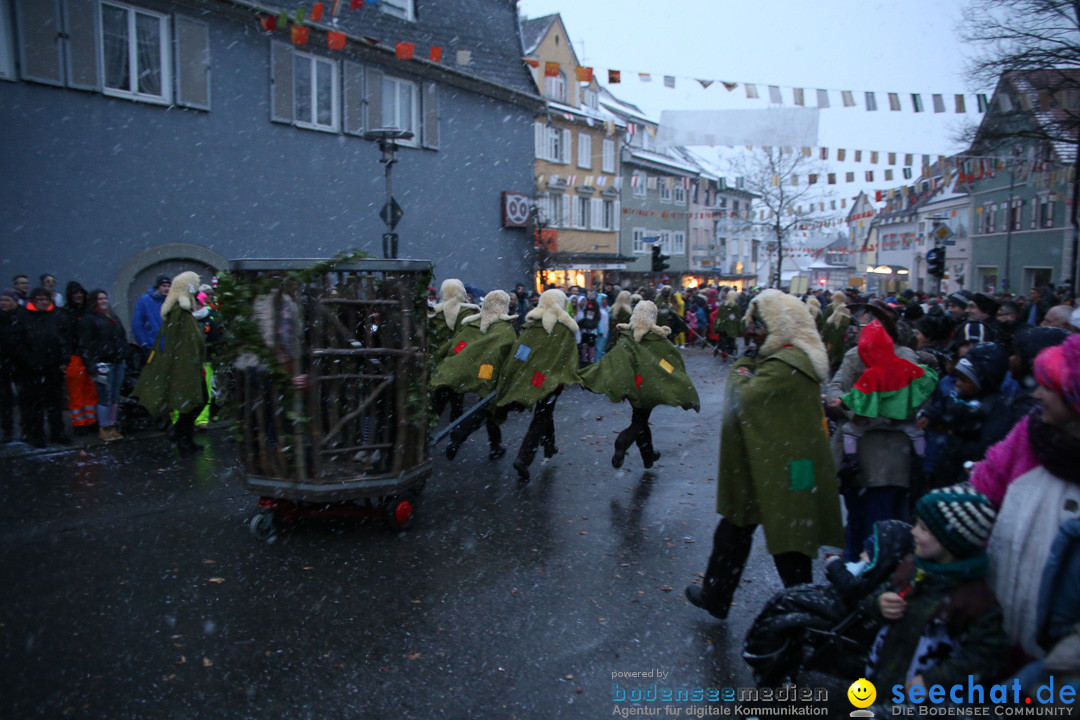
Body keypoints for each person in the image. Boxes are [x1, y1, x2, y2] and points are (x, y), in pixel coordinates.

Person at [686, 289, 843, 619]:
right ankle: (716, 596)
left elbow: (743, 398)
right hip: (767, 465)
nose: (751, 331)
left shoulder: (787, 364)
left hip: (783, 471)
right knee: (734, 531)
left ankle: (806, 614)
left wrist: (741, 366)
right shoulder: (787, 358)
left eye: (759, 324)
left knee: (790, 543)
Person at [971, 334, 1080, 663]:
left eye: (1048, 388)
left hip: (1057, 664)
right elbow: (983, 489)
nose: (1036, 394)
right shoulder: (1031, 434)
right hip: (997, 628)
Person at [865, 484, 1008, 694]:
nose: (913, 531)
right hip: (883, 685)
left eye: (923, 528)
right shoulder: (910, 568)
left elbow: (988, 655)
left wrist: (936, 681)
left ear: (951, 540)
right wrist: (879, 603)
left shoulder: (974, 599)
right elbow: (871, 604)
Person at [826, 300, 921, 561]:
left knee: (879, 524)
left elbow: (905, 404)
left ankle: (875, 576)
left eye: (864, 323)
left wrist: (863, 411)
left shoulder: (904, 358)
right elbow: (834, 389)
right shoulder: (853, 356)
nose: (857, 329)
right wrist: (850, 408)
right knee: (856, 519)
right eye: (858, 324)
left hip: (887, 458)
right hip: (852, 458)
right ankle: (852, 568)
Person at [581, 300, 700, 470]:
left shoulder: (627, 337)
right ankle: (622, 441)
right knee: (639, 422)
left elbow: (613, 359)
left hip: (633, 384)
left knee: (640, 420)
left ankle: (648, 457)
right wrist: (673, 376)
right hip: (648, 386)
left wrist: (593, 375)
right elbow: (668, 362)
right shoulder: (658, 340)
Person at [836, 319, 938, 485]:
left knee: (850, 431)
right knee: (915, 432)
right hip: (899, 418)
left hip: (874, 426)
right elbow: (924, 380)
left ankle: (851, 459)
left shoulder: (875, 371)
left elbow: (856, 396)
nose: (856, 331)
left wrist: (845, 404)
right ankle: (923, 458)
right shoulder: (901, 364)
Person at [496, 289, 582, 482]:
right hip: (551, 380)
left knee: (545, 411)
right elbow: (568, 356)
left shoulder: (532, 326)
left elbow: (522, 351)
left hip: (534, 377)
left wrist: (517, 370)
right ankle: (524, 458)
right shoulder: (564, 328)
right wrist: (567, 374)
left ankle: (549, 445)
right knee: (542, 414)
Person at [437, 290, 518, 462]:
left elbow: (458, 346)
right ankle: (465, 436)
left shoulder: (472, 324)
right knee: (489, 407)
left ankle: (494, 445)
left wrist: (443, 360)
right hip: (489, 372)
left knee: (486, 407)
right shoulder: (504, 329)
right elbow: (506, 354)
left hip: (469, 368)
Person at [133, 272, 207, 455]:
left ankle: (184, 437)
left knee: (194, 402)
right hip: (184, 366)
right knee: (193, 402)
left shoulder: (183, 312)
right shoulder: (179, 312)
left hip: (189, 364)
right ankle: (181, 437)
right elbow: (184, 340)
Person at [13, 287, 72, 447]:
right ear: (34, 300)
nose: (43, 302)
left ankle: (58, 432)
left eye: (46, 299)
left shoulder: (57, 316)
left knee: (55, 403)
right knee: (34, 405)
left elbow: (65, 340)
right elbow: (18, 343)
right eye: (40, 299)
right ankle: (36, 435)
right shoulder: (23, 316)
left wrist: (64, 360)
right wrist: (29, 360)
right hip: (31, 369)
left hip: (53, 367)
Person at [79, 290, 128, 441]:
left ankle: (112, 426)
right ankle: (104, 426)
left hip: (117, 361)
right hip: (103, 362)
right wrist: (91, 365)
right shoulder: (89, 319)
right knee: (104, 396)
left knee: (114, 396)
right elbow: (85, 344)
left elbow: (121, 336)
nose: (103, 301)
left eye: (104, 298)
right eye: (99, 299)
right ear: (94, 301)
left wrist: (123, 353)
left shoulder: (112, 316)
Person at [60, 281, 98, 436]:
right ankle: (78, 422)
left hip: (89, 355)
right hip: (74, 356)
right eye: (75, 293)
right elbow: (63, 337)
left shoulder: (89, 311)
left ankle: (91, 420)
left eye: (80, 292)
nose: (78, 295)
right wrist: (65, 358)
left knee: (91, 390)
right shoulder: (64, 313)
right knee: (76, 392)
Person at [132, 275, 171, 361]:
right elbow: (137, 324)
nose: (166, 288)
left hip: (169, 345)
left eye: (168, 286)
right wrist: (143, 343)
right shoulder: (145, 300)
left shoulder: (171, 302)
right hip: (152, 344)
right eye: (164, 286)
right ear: (158, 287)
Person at [0, 290, 20, 443]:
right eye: (2, 300)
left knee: (26, 397)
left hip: (19, 362)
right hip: (3, 364)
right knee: (4, 398)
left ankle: (27, 428)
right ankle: (7, 428)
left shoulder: (21, 316)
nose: (4, 303)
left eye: (7, 300)